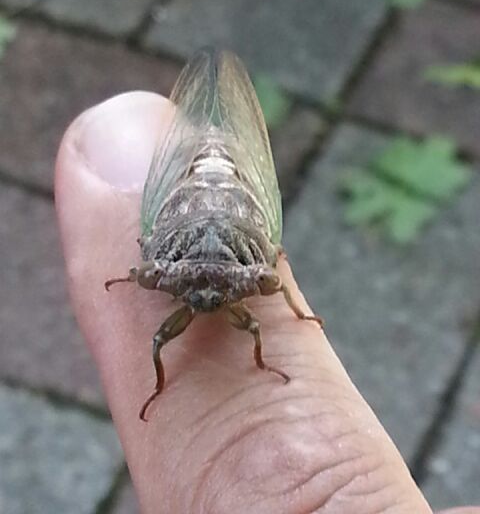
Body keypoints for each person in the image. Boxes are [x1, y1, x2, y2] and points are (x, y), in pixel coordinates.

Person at [55, 91, 480, 514]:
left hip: (230, 215)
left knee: (219, 330)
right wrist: (141, 274)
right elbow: (258, 280)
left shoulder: (222, 283)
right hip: (206, 211)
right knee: (162, 341)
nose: (206, 297)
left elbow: (267, 281)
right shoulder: (229, 283)